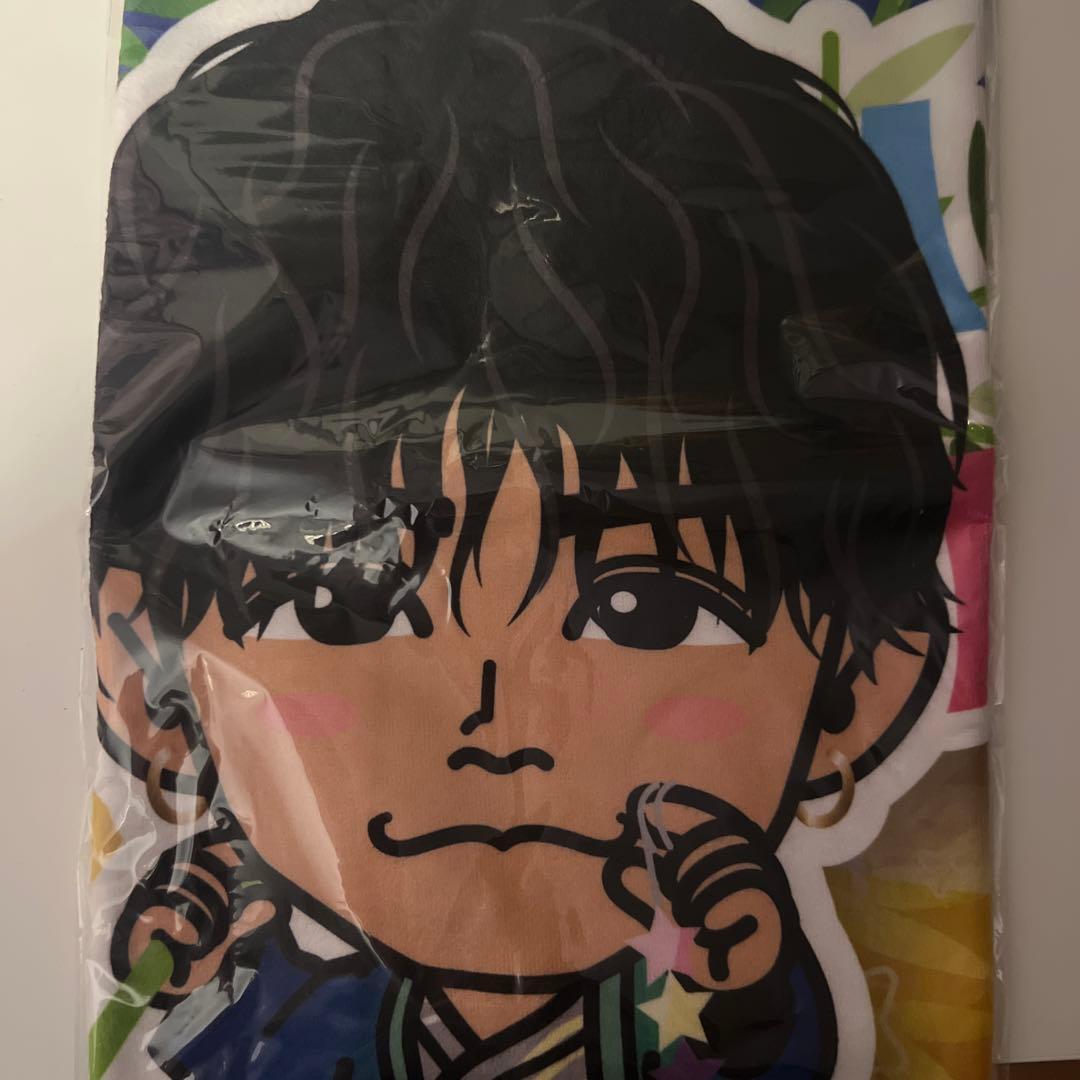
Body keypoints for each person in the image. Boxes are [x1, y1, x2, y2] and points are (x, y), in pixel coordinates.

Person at [92, 0, 967, 1075]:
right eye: (339, 602)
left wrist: (738, 984)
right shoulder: (278, 1015)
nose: (496, 724)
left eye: (645, 607)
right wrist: (190, 954)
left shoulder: (735, 1001)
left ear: (869, 671)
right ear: (143, 667)